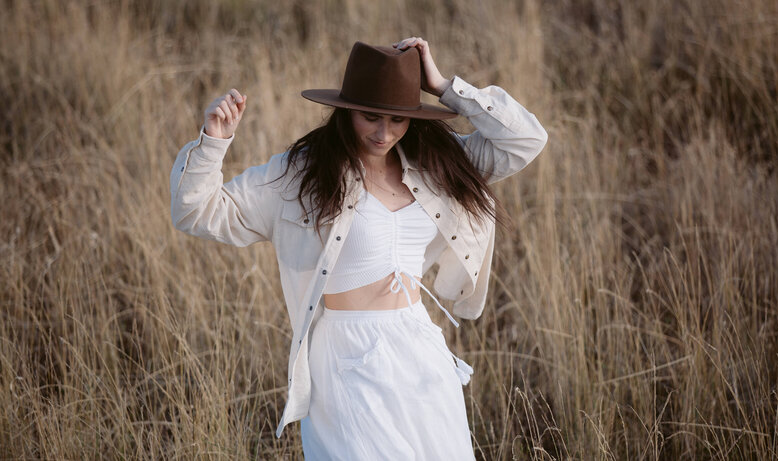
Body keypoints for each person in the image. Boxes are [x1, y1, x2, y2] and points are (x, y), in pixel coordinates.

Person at [170, 37, 548, 459]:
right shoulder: (301, 174)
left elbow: (526, 140)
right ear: (346, 110)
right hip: (346, 356)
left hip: (419, 349)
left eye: (398, 119)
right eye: (370, 117)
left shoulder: (436, 164)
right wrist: (213, 143)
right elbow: (197, 213)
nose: (384, 133)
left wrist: (443, 86)